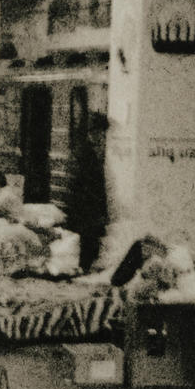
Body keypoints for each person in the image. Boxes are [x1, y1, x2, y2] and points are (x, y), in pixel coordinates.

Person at [65, 110, 109, 272]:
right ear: (93, 132)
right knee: (89, 243)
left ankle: (84, 269)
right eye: (100, 133)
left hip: (87, 208)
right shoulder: (86, 153)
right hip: (88, 208)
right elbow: (86, 184)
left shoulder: (85, 151)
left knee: (89, 243)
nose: (102, 137)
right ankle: (84, 270)